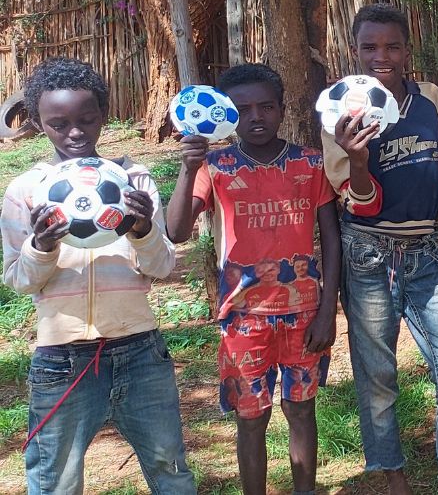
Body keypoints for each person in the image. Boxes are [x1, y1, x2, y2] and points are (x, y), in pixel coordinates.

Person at [1, 58, 195, 494]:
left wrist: (143, 230)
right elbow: (19, 279)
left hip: (140, 352)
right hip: (62, 361)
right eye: (58, 124)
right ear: (36, 123)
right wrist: (42, 245)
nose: (75, 132)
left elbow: (162, 266)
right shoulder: (25, 192)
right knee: (55, 479)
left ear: (103, 116)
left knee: (170, 467)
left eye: (87, 120)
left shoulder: (132, 181)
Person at [321, 4, 438, 495]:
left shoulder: (430, 98)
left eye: (392, 46)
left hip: (426, 253)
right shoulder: (338, 114)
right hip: (367, 255)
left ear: (408, 50)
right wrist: (358, 160)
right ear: (354, 51)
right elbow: (360, 204)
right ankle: (393, 478)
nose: (381, 56)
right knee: (378, 375)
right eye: (370, 47)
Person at [165, 63, 340, 495]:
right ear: (228, 115)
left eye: (267, 106)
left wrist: (327, 312)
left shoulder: (309, 163)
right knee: (251, 418)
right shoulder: (215, 165)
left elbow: (332, 242)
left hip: (304, 315)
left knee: (301, 412)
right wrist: (188, 169)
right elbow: (176, 231)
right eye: (243, 110)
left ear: (283, 109)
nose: (256, 116)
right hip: (242, 318)